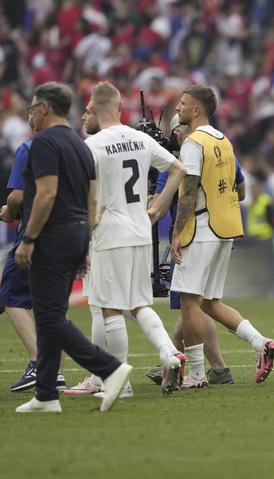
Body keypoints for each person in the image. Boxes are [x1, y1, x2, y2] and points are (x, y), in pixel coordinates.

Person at [14, 82, 131, 413]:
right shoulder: (82, 146)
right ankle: (47, 394)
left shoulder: (44, 143)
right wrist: (86, 238)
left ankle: (110, 368)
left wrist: (29, 239)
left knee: (48, 317)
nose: (30, 115)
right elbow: (92, 196)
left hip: (53, 235)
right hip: (79, 230)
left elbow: (47, 194)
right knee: (53, 312)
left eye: (32, 108)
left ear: (44, 109)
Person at [68, 81, 187, 396]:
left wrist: (88, 223)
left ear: (95, 109)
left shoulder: (91, 146)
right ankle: (168, 353)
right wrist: (158, 208)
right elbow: (178, 168)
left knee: (109, 309)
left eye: (86, 110)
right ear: (119, 108)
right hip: (139, 231)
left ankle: (119, 383)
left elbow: (83, 194)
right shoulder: (140, 138)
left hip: (109, 233)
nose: (83, 117)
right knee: (139, 303)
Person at [171, 85, 274, 388]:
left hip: (202, 228)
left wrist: (177, 233)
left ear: (196, 110)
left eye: (182, 103)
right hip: (226, 227)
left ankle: (195, 374)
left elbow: (188, 192)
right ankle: (261, 343)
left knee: (189, 302)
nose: (177, 108)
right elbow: (237, 186)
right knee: (210, 303)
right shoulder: (223, 140)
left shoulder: (193, 143)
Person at [0, 139, 68, 392]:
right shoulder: (76, 146)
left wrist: (9, 211)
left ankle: (38, 362)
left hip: (36, 231)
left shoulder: (29, 148)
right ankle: (57, 371)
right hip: (69, 233)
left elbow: (17, 196)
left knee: (11, 296)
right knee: (54, 304)